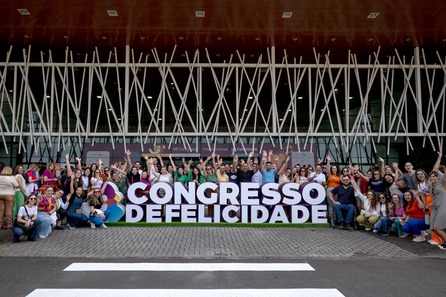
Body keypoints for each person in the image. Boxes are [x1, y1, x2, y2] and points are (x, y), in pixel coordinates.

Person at [429, 152, 446, 249]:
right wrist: (439, 157)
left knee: (437, 227)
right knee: (433, 228)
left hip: (443, 207)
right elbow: (434, 169)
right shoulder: (431, 185)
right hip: (435, 207)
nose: (432, 177)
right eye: (431, 176)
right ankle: (444, 242)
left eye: (434, 176)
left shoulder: (443, 183)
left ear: (437, 177)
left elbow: (436, 170)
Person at [325, 155, 341, 227]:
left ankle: (336, 219)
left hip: (337, 191)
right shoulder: (330, 175)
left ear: (337, 169)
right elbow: (328, 168)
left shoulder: (339, 176)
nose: (334, 169)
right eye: (333, 168)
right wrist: (328, 161)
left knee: (336, 204)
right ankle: (331, 220)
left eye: (335, 168)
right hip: (330, 190)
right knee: (331, 205)